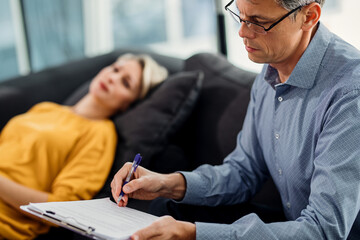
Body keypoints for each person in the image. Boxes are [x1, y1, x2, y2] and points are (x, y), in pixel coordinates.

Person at [111, 0, 360, 239]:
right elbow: (244, 172)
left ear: (309, 16)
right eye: (240, 15)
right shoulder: (273, 64)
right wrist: (166, 183)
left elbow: (324, 231)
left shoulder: (350, 93)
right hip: (293, 226)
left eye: (258, 21)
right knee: (166, 208)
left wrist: (194, 235)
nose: (242, 31)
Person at [0, 53, 168, 240]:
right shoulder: (46, 108)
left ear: (129, 104)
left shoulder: (100, 135)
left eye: (126, 83)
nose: (112, 78)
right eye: (115, 69)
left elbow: (60, 208)